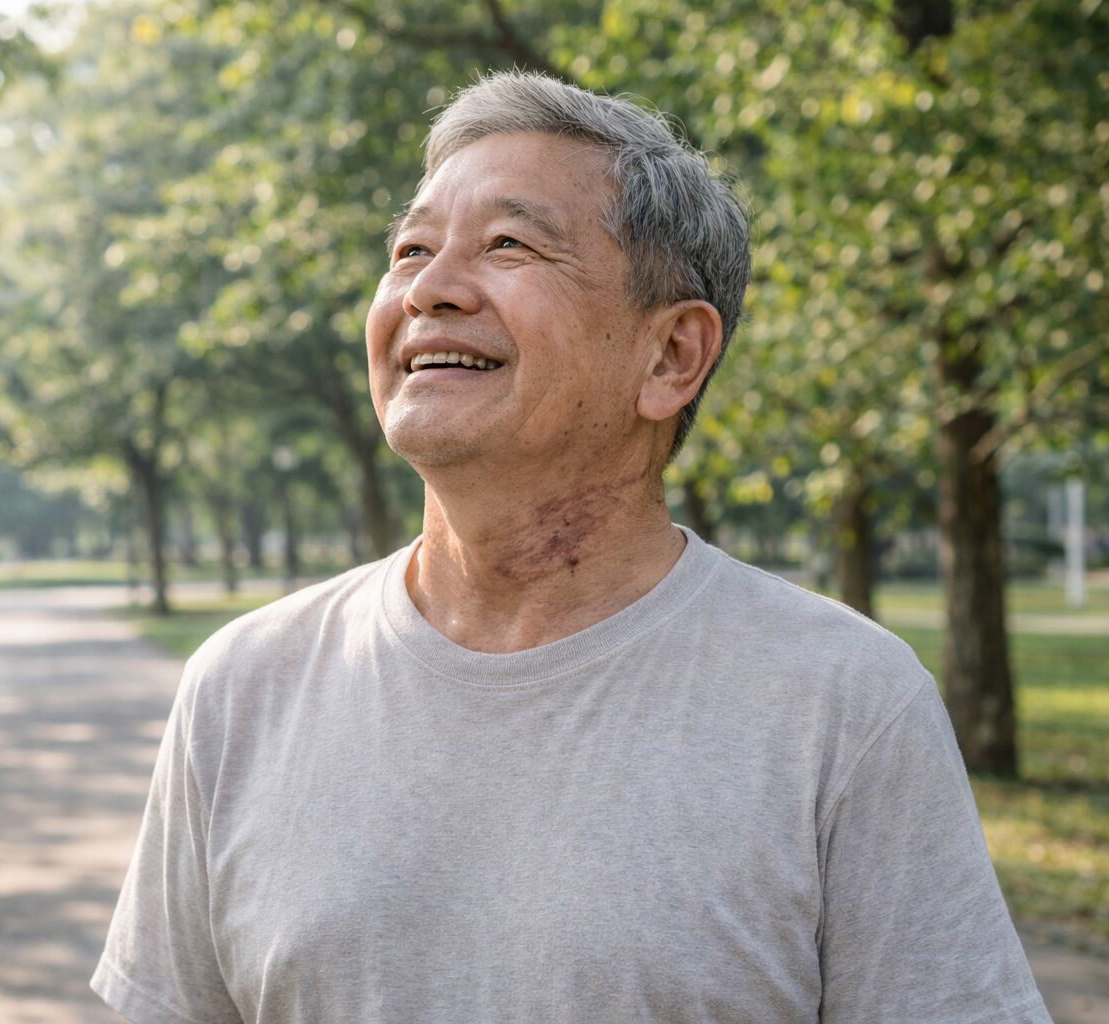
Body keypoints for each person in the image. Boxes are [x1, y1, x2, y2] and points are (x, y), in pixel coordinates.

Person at [91, 71, 1050, 1024]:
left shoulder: (844, 706)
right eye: (411, 248)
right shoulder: (243, 686)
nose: (428, 288)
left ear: (671, 355)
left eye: (509, 244)